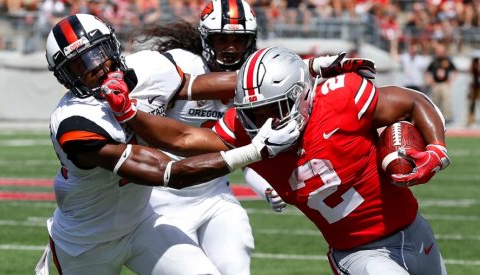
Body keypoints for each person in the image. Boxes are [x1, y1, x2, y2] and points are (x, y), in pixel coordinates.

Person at [112, 47, 450, 275]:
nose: (262, 122)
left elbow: (412, 101)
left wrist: (436, 147)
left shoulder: (341, 98)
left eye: (270, 110)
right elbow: (183, 139)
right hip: (360, 253)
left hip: (416, 229)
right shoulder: (246, 133)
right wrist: (130, 113)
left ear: (301, 96)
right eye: (252, 113)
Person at [37, 14, 300, 275]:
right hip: (86, 242)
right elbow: (170, 173)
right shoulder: (75, 123)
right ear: (66, 77)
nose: (95, 67)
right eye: (79, 65)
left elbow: (193, 87)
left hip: (142, 222)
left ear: (112, 46)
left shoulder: (145, 68)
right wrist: (254, 151)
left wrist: (305, 71)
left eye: (98, 53)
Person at [131, 1, 281, 273]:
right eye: (222, 38)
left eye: (239, 38)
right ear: (206, 38)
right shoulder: (180, 65)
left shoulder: (256, 78)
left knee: (236, 267)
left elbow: (251, 151)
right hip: (161, 201)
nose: (231, 47)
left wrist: (268, 186)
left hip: (214, 196)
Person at [425, 44, 457, 124]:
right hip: (436, 84)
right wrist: (430, 80)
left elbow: (455, 70)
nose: (439, 52)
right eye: (438, 51)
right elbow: (427, 71)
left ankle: (446, 118)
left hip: (444, 84)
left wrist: (450, 81)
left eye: (441, 51)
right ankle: (435, 117)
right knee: (435, 101)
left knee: (446, 101)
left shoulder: (447, 60)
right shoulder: (434, 61)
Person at [467, 57, 480, 127]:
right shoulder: (472, 66)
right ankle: (470, 120)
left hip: (479, 87)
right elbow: (469, 72)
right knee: (472, 104)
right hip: (473, 87)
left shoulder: (478, 66)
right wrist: (472, 65)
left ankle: (476, 119)